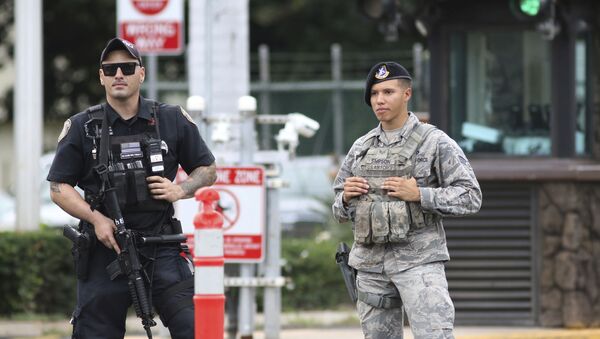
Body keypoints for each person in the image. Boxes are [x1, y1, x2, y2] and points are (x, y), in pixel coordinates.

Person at [47, 37, 217, 339]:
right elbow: (59, 186)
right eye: (110, 69)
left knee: (196, 329)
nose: (119, 75)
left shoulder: (171, 119)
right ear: (101, 77)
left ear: (141, 73)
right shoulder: (83, 126)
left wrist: (181, 189)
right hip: (105, 249)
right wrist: (96, 219)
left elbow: (208, 169)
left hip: (161, 245)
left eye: (127, 67)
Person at [332, 61, 482, 339]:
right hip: (370, 266)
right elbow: (338, 208)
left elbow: (471, 196)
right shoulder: (361, 148)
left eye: (388, 92)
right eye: (374, 94)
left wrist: (420, 194)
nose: (380, 100)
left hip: (419, 262)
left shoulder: (435, 142)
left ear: (407, 94)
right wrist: (345, 198)